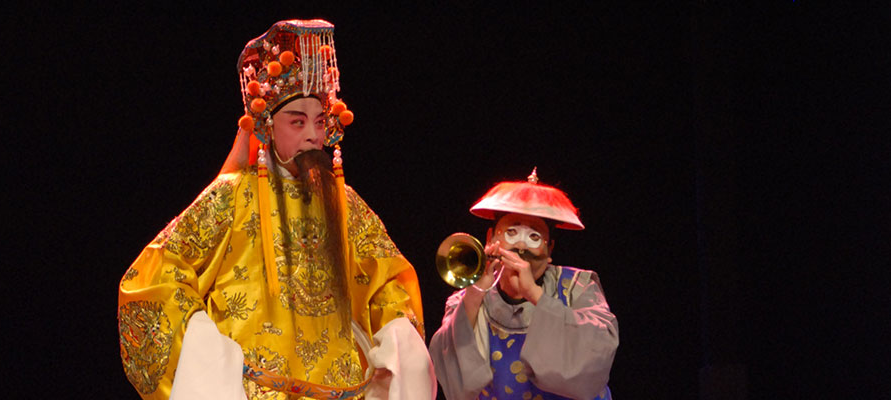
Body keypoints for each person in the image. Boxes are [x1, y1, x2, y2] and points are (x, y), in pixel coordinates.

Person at [118, 20, 435, 400]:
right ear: (267, 126)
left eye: (319, 122)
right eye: (297, 122)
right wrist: (210, 353)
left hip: (341, 389)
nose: (312, 136)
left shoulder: (345, 202)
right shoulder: (232, 196)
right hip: (255, 388)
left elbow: (386, 280)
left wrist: (398, 331)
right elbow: (155, 278)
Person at [429, 169, 618, 400]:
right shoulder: (466, 297)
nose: (520, 246)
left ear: (550, 250)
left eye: (534, 237)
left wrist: (535, 294)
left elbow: (598, 351)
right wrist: (476, 292)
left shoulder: (578, 286)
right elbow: (448, 371)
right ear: (490, 239)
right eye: (511, 232)